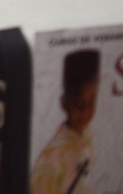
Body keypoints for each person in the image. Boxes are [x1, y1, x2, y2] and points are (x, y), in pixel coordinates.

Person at [31, 49, 99, 194]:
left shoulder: (87, 136)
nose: (85, 113)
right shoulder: (51, 160)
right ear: (64, 102)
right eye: (78, 105)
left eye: (91, 103)